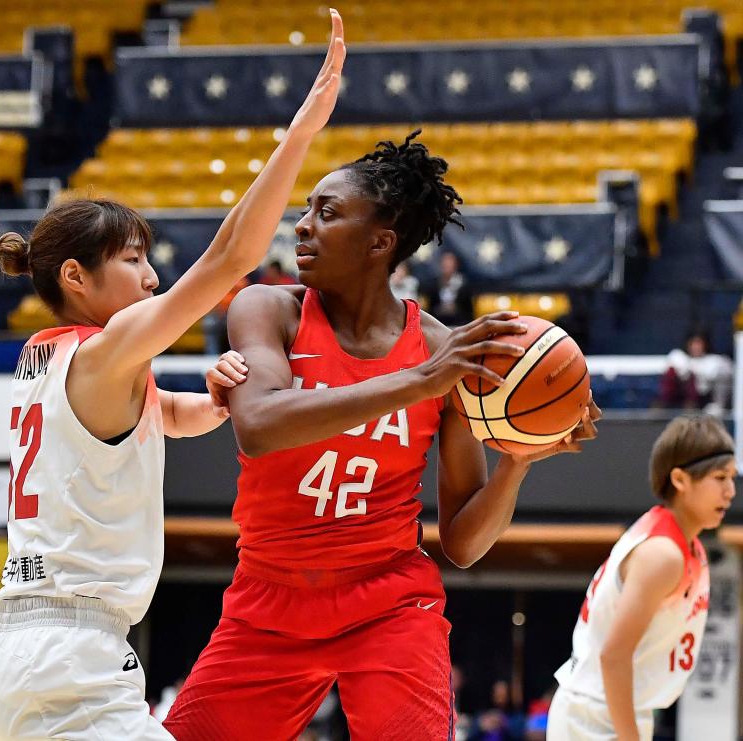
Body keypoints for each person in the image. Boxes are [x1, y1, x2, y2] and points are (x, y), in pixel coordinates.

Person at [0, 12, 346, 740]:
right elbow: (230, 260)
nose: (152, 276)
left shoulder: (48, 358)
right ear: (76, 276)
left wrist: (215, 396)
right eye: (133, 260)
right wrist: (300, 133)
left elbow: (171, 413)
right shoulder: (107, 349)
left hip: (11, 658)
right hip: (65, 660)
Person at [164, 130, 600, 739]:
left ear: (380, 241)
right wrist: (417, 382)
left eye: (327, 212)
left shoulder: (446, 351)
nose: (303, 226)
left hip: (389, 604)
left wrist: (518, 463)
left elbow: (464, 545)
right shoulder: (268, 309)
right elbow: (258, 427)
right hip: (268, 596)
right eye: (307, 209)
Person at [548, 415, 735, 740]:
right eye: (720, 477)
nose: (730, 491)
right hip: (594, 716)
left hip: (617, 708)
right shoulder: (661, 554)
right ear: (680, 479)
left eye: (732, 478)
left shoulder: (681, 544)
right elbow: (614, 655)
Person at [655, 330, 732, 415]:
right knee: (672, 372)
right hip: (677, 401)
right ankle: (661, 410)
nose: (696, 347)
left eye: (699, 344)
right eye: (693, 344)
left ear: (705, 345)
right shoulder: (679, 357)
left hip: (703, 403)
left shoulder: (714, 361)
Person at [425, 249, 472, 326]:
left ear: (455, 265)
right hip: (438, 321)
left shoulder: (464, 284)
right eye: (445, 264)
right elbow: (430, 308)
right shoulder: (434, 284)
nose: (447, 267)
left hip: (458, 322)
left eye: (449, 264)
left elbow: (468, 311)